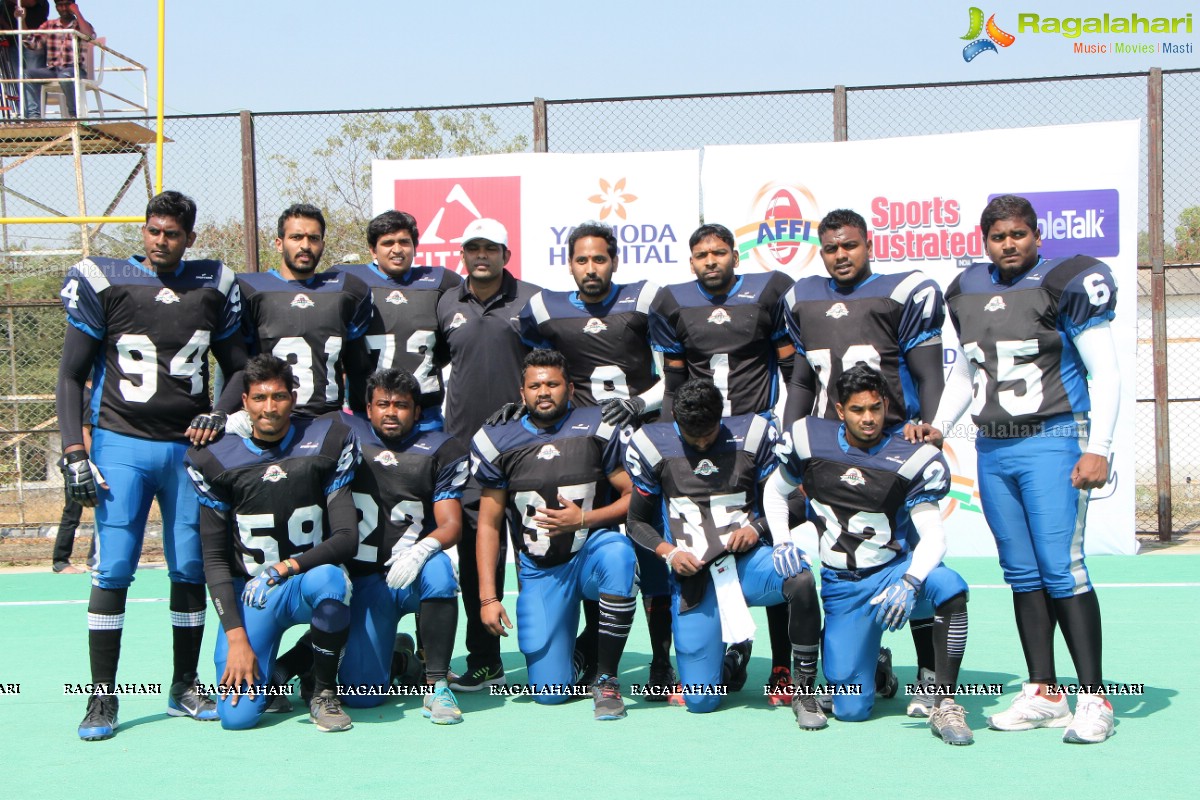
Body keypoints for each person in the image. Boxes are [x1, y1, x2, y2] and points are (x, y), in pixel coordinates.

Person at [56, 190, 247, 741]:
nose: (161, 241)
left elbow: (237, 368)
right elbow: (71, 374)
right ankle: (102, 696)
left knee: (189, 566)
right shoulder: (105, 279)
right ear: (145, 231)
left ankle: (183, 685)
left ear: (190, 238)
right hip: (122, 442)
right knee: (113, 566)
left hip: (187, 447)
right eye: (153, 231)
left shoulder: (213, 284)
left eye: (172, 234)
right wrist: (74, 450)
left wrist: (219, 410)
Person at [944, 194, 1121, 744]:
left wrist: (1103, 447)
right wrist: (937, 426)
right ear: (984, 241)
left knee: (1062, 567)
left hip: (1056, 436)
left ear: (1037, 236)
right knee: (1020, 571)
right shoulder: (967, 290)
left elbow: (1107, 372)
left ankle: (1094, 699)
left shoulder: (1064, 282)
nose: (1008, 244)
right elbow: (964, 377)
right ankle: (1043, 690)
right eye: (998, 237)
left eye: (1018, 234)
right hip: (994, 446)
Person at [780, 208, 959, 716]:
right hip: (833, 451)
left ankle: (930, 676)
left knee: (917, 556)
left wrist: (927, 428)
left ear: (868, 244)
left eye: (850, 245)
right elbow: (801, 381)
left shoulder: (903, 290)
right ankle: (863, 655)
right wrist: (793, 434)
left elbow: (927, 373)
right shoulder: (802, 297)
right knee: (848, 551)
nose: (841, 255)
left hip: (892, 453)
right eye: (832, 247)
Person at [766, 365, 973, 744]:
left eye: (876, 409)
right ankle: (876, 666)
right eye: (858, 410)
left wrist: (911, 580)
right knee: (850, 709)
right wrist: (781, 539)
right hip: (843, 586)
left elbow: (934, 537)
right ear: (840, 410)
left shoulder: (911, 455)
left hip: (892, 573)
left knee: (950, 587)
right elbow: (775, 489)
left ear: (885, 406)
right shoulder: (810, 440)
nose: (869, 418)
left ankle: (945, 701)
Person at [516, 220, 675, 697]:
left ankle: (661, 660)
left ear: (615, 261)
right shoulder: (544, 309)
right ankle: (595, 648)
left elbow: (675, 372)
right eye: (581, 260)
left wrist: (642, 403)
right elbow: (531, 369)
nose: (591, 268)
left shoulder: (644, 299)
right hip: (587, 449)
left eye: (599, 258)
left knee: (650, 553)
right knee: (593, 541)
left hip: (645, 444)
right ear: (569, 264)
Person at [648, 223, 797, 704]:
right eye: (700, 254)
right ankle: (675, 661)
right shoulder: (672, 303)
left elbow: (794, 371)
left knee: (766, 540)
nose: (710, 261)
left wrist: (787, 427)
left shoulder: (770, 290)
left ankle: (779, 666)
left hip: (752, 443)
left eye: (718, 252)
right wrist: (672, 438)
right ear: (690, 261)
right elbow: (672, 385)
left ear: (735, 254)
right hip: (696, 441)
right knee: (685, 546)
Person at [624, 378, 824, 725]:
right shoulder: (651, 444)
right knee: (700, 701)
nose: (701, 443)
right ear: (673, 417)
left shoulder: (753, 435)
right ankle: (734, 658)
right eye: (692, 436)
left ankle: (803, 688)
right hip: (695, 577)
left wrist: (756, 528)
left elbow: (794, 501)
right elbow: (636, 522)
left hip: (748, 566)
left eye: (709, 433)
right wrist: (668, 552)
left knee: (800, 577)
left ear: (723, 417)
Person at [184, 355, 359, 733]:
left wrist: (287, 567)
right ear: (244, 402)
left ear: (293, 398)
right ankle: (289, 664)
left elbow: (347, 538)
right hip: (253, 594)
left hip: (306, 582)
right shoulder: (214, 455)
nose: (270, 408)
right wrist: (236, 638)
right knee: (237, 717)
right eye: (260, 398)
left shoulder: (327, 439)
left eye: (278, 397)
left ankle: (324, 692)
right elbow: (214, 558)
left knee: (331, 580)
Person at [473, 349, 637, 720]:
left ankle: (606, 679)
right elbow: (488, 523)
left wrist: (584, 519)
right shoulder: (499, 438)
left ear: (570, 388)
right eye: (535, 385)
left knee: (619, 554)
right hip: (540, 567)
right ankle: (585, 653)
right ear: (522, 391)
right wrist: (487, 598)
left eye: (552, 384)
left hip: (590, 552)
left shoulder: (597, 426)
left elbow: (634, 496)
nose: (543, 392)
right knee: (549, 692)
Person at [435, 218, 540, 692]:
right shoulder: (446, 304)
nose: (481, 255)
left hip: (528, 449)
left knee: (542, 551)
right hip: (466, 452)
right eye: (472, 247)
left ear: (506, 255)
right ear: (463, 253)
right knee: (480, 557)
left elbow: (553, 368)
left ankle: (550, 651)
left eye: (490, 248)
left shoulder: (532, 301)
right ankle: (485, 659)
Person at [338, 368, 469, 723]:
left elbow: (451, 525)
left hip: (413, 569)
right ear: (368, 408)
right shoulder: (346, 437)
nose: (391, 412)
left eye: (401, 405)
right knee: (361, 697)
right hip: (366, 579)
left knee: (440, 570)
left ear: (416, 411)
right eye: (383, 404)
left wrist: (422, 550)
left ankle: (436, 683)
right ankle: (400, 659)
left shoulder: (441, 448)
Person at [237, 203, 373, 419]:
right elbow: (235, 366)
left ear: (323, 244)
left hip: (328, 421)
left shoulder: (346, 291)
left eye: (314, 238)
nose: (305, 245)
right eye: (296, 237)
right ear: (279, 244)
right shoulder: (250, 291)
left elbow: (358, 368)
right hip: (272, 422)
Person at [338, 210, 461, 431]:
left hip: (425, 416)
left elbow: (452, 343)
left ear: (415, 246)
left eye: (404, 242)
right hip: (366, 417)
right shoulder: (348, 282)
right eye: (388, 243)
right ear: (372, 250)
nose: (397, 249)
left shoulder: (443, 282)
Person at [25, 0, 92, 118]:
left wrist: (77, 12)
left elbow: (89, 36)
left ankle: (74, 115)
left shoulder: (79, 24)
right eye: (60, 5)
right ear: (56, 7)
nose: (64, 8)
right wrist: (21, 20)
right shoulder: (49, 25)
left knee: (65, 75)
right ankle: (33, 116)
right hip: (53, 70)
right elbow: (32, 43)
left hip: (74, 69)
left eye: (67, 5)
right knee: (27, 74)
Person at [52, 379, 91, 573]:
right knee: (72, 513)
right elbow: (84, 433)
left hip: (84, 461)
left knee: (108, 511)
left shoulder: (99, 393)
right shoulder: (85, 394)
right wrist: (93, 462)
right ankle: (61, 561)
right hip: (79, 463)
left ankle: (95, 558)